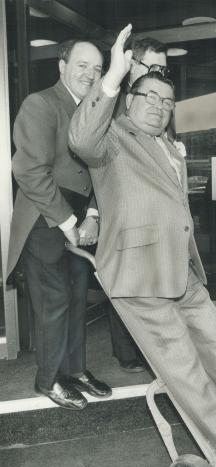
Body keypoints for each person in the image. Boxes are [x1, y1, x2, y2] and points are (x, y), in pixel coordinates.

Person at [69, 25, 216, 467]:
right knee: (183, 364)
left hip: (182, 269)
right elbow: (80, 138)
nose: (159, 107)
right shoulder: (111, 138)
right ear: (128, 100)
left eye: (166, 101)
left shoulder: (168, 146)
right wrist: (114, 75)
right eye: (149, 98)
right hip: (139, 275)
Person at [6, 39, 112, 410]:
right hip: (45, 218)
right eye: (82, 65)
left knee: (77, 298)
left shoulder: (97, 111)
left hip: (80, 215)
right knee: (55, 301)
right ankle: (47, 381)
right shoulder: (41, 104)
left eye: (98, 69)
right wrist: (68, 221)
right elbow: (29, 171)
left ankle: (75, 370)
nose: (90, 74)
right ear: (62, 65)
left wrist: (94, 216)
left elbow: (103, 171)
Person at [108, 35, 169, 373]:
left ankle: (147, 351)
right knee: (126, 282)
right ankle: (128, 354)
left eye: (164, 69)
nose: (160, 74)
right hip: (122, 207)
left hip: (151, 207)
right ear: (132, 65)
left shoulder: (158, 100)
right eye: (154, 67)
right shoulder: (112, 101)